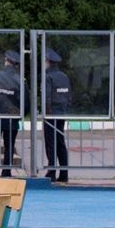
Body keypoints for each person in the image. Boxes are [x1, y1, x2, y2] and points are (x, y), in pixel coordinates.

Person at [43, 47, 72, 183]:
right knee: (60, 143)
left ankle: (51, 172)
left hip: (50, 115)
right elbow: (69, 96)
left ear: (48, 61)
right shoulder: (64, 76)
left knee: (51, 144)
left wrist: (46, 113)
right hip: (62, 114)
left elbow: (47, 98)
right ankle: (64, 173)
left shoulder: (48, 77)